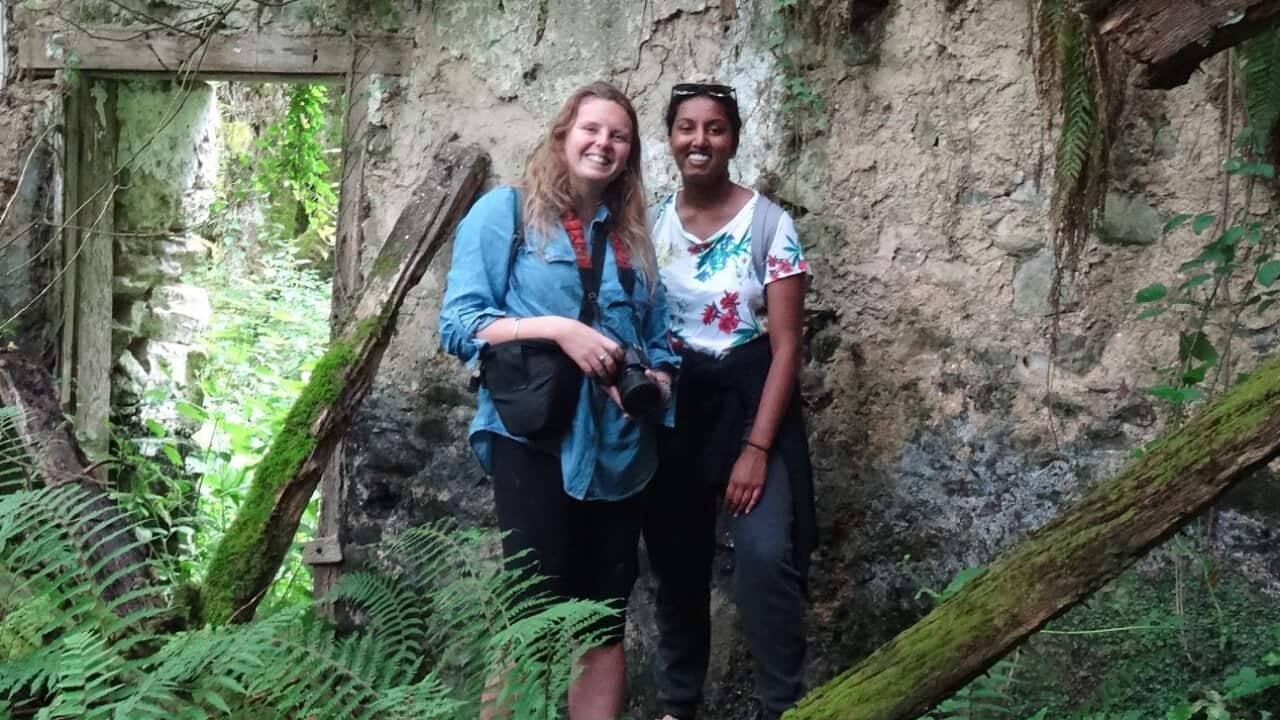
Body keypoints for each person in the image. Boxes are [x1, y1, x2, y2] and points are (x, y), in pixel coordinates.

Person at [438, 81, 679, 720]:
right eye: (591, 129)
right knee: (530, 617)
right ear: (562, 136)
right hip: (535, 439)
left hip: (621, 454)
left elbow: (658, 344)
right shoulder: (506, 213)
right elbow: (459, 324)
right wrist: (559, 329)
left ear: (629, 154)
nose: (604, 143)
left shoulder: (634, 241)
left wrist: (656, 383)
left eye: (618, 136)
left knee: (602, 622)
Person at [642, 82, 817, 720]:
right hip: (677, 407)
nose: (700, 141)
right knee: (676, 563)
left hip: (752, 399)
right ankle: (678, 703)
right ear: (670, 139)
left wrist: (756, 449)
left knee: (768, 558)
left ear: (734, 139)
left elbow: (788, 346)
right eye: (687, 128)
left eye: (715, 129)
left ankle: (783, 706)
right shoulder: (652, 222)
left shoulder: (770, 225)